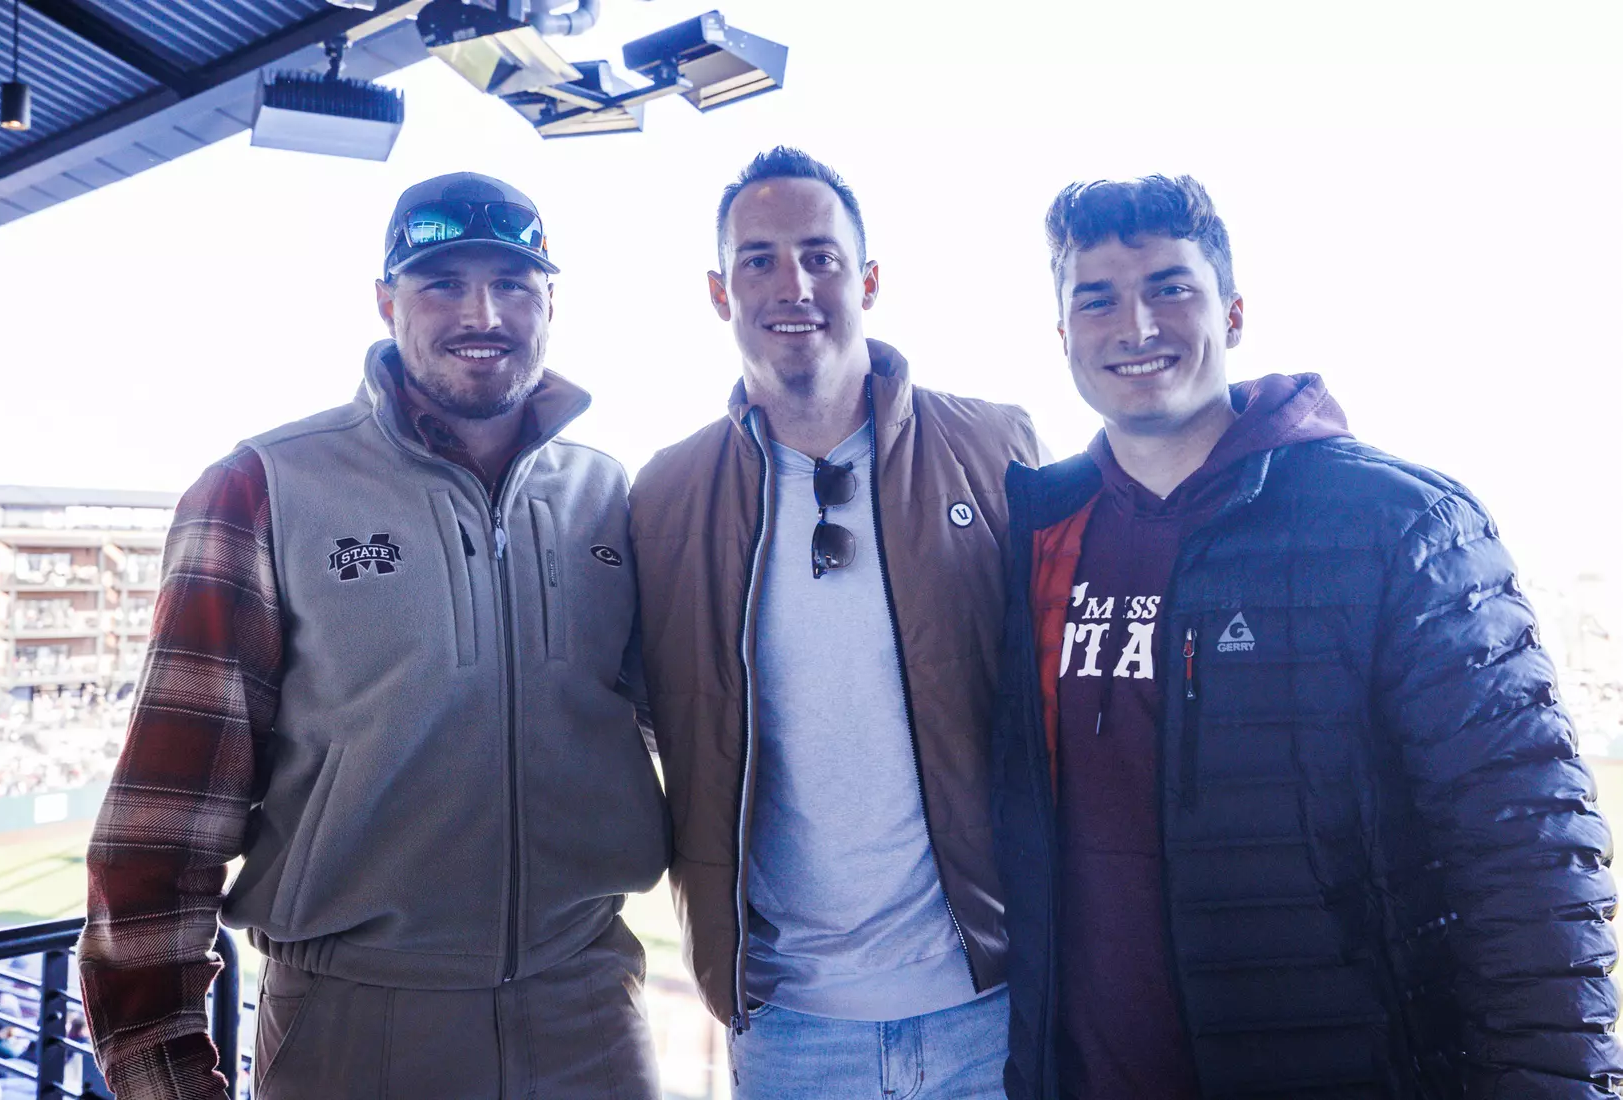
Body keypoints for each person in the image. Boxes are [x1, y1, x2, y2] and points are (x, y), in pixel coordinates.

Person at [991, 174, 1623, 1098]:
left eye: (1170, 287)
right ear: (1062, 335)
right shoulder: (1039, 532)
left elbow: (1528, 853)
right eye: (1098, 299)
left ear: (1234, 313)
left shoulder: (1398, 524)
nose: (1136, 325)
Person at [77, 172, 669, 1100]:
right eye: (443, 282)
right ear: (386, 301)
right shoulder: (262, 488)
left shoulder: (609, 493)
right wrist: (163, 1069)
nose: (483, 313)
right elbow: (167, 808)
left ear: (551, 304)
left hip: (590, 1007)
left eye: (513, 284)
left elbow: (689, 728)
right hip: (355, 1022)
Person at [628, 147, 1042, 1099]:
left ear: (869, 280)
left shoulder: (997, 448)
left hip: (990, 1003)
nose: (794, 285)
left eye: (820, 256)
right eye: (759, 259)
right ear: (719, 292)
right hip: (791, 1025)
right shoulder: (666, 497)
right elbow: (652, 717)